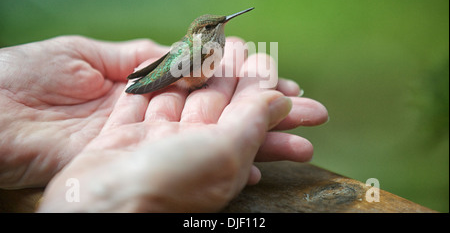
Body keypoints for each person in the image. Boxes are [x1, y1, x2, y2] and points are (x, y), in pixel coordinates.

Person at [0, 35, 328, 212]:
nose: (221, 26)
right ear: (202, 32)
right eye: (213, 25)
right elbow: (172, 68)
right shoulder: (199, 48)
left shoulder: (207, 45)